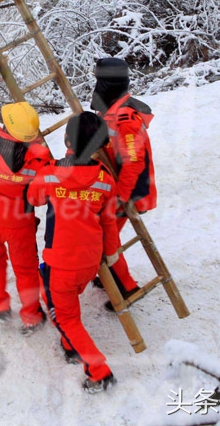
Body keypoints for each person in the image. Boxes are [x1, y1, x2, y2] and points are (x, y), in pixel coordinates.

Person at [27, 111, 120, 393]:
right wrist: (112, 253)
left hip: (60, 265)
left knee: (63, 313)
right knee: (67, 307)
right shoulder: (105, 179)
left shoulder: (52, 174)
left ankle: (99, 371)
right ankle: (69, 344)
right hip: (91, 262)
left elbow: (33, 197)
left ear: (66, 139)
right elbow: (108, 221)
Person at [0, 52, 52, 333]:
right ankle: (31, 314)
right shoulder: (41, 158)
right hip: (19, 225)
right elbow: (44, 194)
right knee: (26, 271)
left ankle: (0, 303)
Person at [90, 57, 157, 311]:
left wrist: (118, 199)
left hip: (126, 191)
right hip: (114, 187)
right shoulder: (112, 111)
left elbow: (133, 163)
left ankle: (127, 287)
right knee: (106, 235)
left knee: (106, 238)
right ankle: (108, 274)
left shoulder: (126, 118)